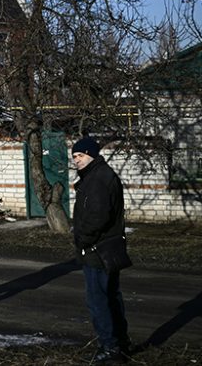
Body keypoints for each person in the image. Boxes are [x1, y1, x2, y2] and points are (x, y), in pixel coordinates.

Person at [72, 135, 130, 364]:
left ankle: (110, 347)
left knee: (99, 300)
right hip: (108, 248)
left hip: (98, 249)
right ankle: (120, 343)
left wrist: (83, 240)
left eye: (80, 155)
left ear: (92, 155)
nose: (76, 160)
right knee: (112, 297)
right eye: (74, 156)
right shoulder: (98, 175)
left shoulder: (97, 179)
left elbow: (97, 216)